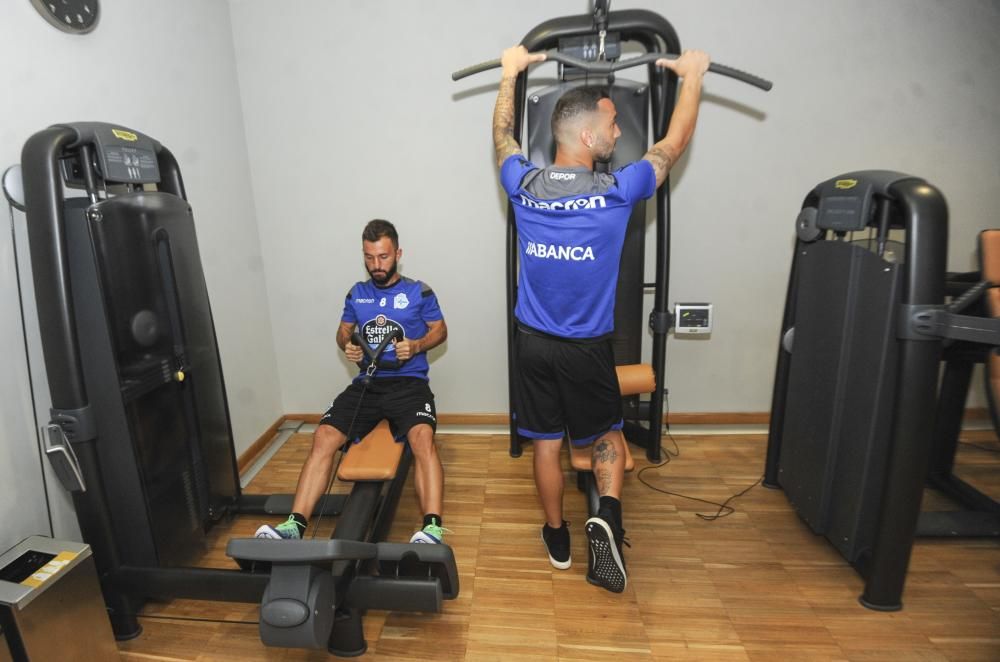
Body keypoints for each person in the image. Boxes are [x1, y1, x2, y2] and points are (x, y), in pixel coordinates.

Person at [493, 45, 711, 592]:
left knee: (546, 443)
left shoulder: (522, 184)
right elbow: (671, 145)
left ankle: (557, 535)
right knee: (608, 432)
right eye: (612, 124)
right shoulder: (614, 192)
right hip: (585, 348)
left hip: (532, 343)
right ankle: (607, 517)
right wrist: (693, 78)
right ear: (588, 137)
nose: (617, 133)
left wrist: (509, 74)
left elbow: (502, 138)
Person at [256, 219, 449, 544]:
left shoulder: (419, 291)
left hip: (409, 384)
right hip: (368, 385)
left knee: (422, 439)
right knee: (324, 436)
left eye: (384, 257)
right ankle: (294, 526)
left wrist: (416, 345)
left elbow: (440, 330)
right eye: (369, 257)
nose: (377, 265)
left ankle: (431, 528)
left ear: (398, 253)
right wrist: (346, 343)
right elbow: (343, 331)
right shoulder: (356, 294)